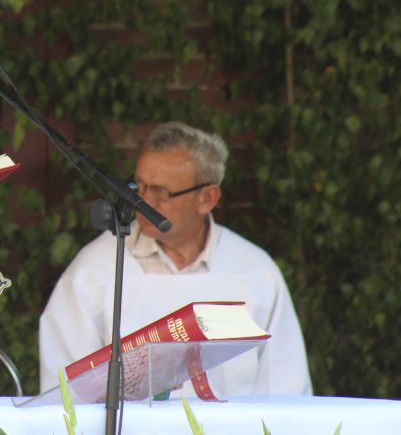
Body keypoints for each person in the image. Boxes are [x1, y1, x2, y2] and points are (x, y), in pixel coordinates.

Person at [39, 121, 312, 398]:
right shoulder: (94, 270)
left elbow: (285, 391)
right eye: (139, 186)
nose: (142, 202)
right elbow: (64, 391)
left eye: (160, 192)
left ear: (207, 198)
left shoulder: (255, 273)